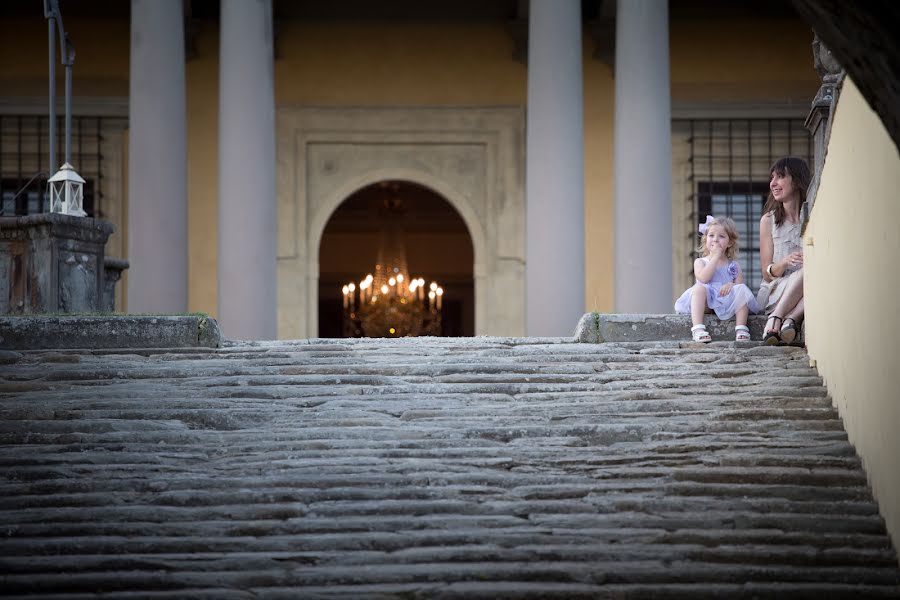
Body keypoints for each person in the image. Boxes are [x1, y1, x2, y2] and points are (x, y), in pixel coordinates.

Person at [675, 215, 760, 342]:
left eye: (721, 236)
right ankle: (698, 328)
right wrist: (715, 257)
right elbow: (703, 278)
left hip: (725, 301)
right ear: (705, 239)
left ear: (730, 242)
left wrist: (731, 285)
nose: (715, 240)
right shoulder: (700, 261)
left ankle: (741, 328)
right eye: (711, 235)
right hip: (707, 303)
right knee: (698, 289)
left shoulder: (733, 265)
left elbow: (740, 284)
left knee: (741, 290)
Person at [757, 157, 811, 344]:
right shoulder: (768, 220)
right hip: (777, 290)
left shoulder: (814, 217)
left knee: (815, 275)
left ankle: (789, 319)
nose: (773, 183)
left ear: (796, 181)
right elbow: (766, 274)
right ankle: (779, 316)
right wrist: (784, 262)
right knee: (810, 273)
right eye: (772, 178)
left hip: (808, 287)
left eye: (780, 177)